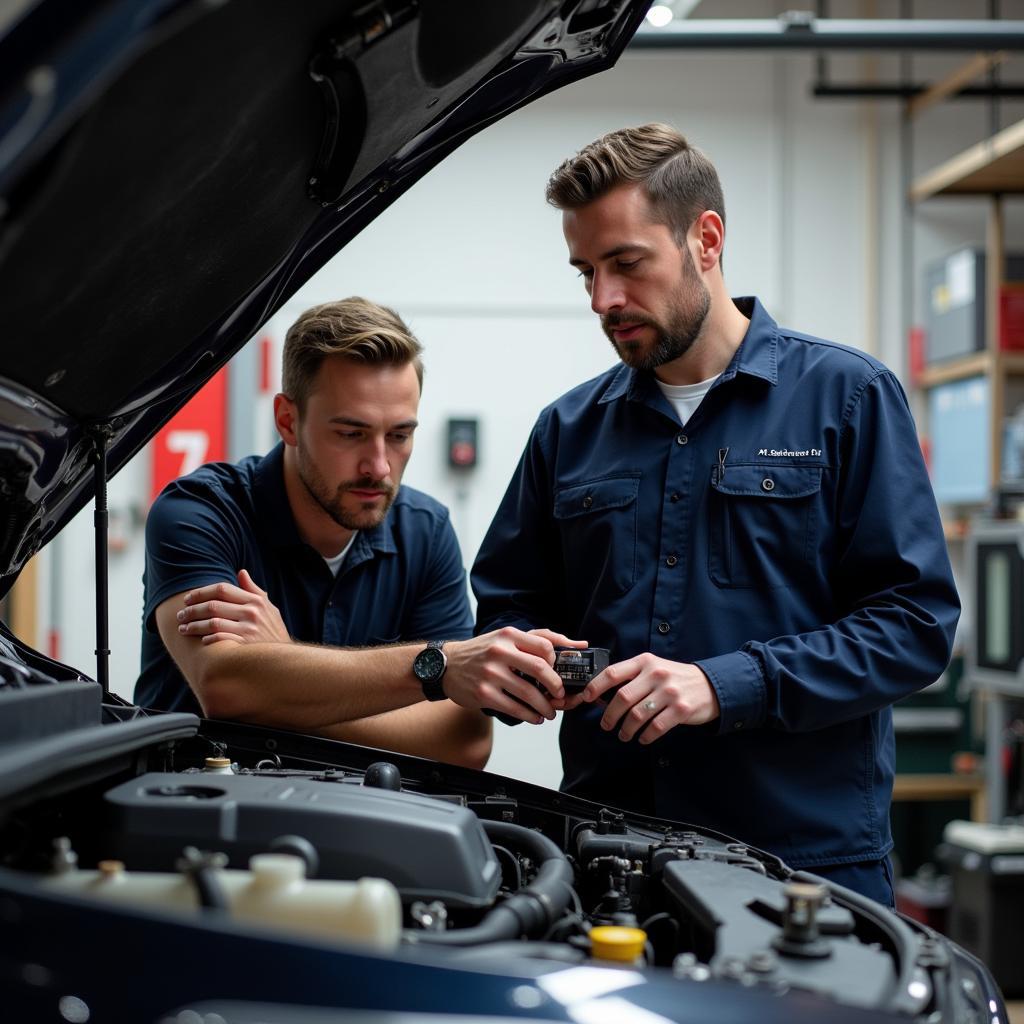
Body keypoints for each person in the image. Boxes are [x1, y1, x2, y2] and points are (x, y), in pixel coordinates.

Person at [470, 125, 960, 903]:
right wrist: (529, 661)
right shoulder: (567, 431)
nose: (604, 300)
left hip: (802, 867)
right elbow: (509, 603)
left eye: (627, 264)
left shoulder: (849, 398)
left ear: (705, 239)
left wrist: (725, 683)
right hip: (611, 856)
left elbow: (913, 625)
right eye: (587, 272)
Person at [135, 297, 578, 768]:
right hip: (192, 819)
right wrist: (435, 668)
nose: (380, 466)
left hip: (355, 829)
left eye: (400, 435)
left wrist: (281, 673)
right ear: (288, 420)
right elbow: (228, 688)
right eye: (351, 434)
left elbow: (464, 741)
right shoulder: (199, 511)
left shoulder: (425, 532)